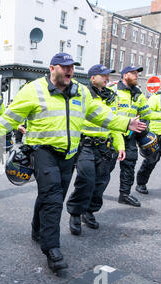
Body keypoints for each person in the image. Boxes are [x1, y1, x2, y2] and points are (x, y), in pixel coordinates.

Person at [0, 53, 147, 273]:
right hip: (43, 152)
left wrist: (126, 122)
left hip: (69, 154)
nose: (70, 71)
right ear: (52, 68)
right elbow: (9, 118)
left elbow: (99, 114)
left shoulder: (80, 91)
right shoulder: (33, 90)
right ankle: (52, 249)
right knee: (53, 198)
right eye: (65, 67)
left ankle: (37, 228)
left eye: (72, 67)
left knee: (53, 196)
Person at [66, 64, 126, 235]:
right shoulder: (82, 95)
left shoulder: (112, 97)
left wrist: (120, 145)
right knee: (86, 179)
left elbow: (115, 123)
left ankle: (89, 211)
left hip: (105, 146)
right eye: (103, 75)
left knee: (101, 182)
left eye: (108, 75)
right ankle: (76, 213)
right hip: (85, 144)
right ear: (93, 78)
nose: (107, 78)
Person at [111, 66, 161, 207]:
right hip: (112, 134)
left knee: (129, 165)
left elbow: (147, 114)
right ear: (124, 75)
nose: (137, 75)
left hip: (130, 136)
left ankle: (125, 194)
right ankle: (91, 200)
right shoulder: (113, 91)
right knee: (104, 170)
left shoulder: (138, 94)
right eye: (133, 73)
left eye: (137, 73)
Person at [136, 77, 161, 197]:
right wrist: (143, 133)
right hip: (158, 136)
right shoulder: (156, 98)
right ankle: (141, 184)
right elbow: (146, 114)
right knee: (150, 161)